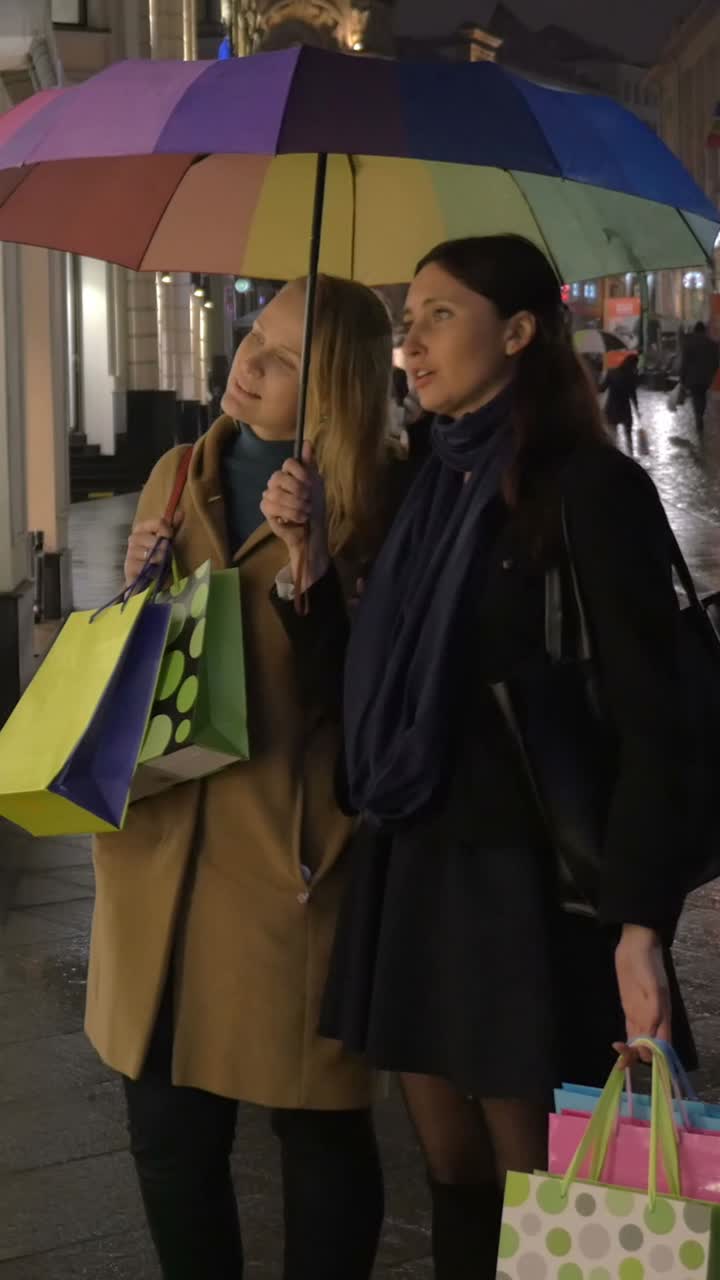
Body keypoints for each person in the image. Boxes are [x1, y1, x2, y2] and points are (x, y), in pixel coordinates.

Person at [263, 235, 696, 1280]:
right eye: (405, 319)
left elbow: (664, 722)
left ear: (518, 330)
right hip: (417, 864)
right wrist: (309, 568)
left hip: (531, 887)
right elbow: (362, 694)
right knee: (454, 1172)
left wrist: (641, 924)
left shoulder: (588, 488)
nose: (409, 342)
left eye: (438, 315)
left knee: (554, 1191)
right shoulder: (417, 486)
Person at [85, 275, 395, 1280]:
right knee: (169, 1136)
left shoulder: (380, 499)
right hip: (161, 853)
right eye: (253, 336)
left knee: (317, 1126)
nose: (248, 363)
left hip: (287, 865)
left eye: (286, 360)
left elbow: (373, 707)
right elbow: (139, 663)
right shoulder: (180, 470)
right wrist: (138, 584)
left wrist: (313, 563)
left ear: (337, 390)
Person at [681, 321, 719, 438]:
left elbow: (684, 363)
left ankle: (698, 415)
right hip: (706, 378)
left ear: (695, 330)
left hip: (692, 378)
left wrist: (682, 378)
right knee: (702, 396)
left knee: (696, 396)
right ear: (704, 331)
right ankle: (700, 414)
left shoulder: (688, 343)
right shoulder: (712, 344)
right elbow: (716, 362)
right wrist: (711, 374)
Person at [600, 351, 640, 453]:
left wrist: (599, 378)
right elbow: (633, 395)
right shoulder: (632, 376)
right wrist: (637, 410)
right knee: (628, 435)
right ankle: (631, 456)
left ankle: (614, 457)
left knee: (613, 437)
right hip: (625, 409)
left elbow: (601, 388)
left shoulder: (611, 372)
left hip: (611, 408)